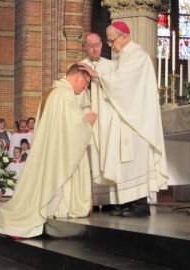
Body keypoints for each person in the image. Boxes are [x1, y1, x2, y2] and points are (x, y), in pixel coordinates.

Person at [0, 64, 97, 238]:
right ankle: (27, 224)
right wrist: (86, 123)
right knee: (52, 186)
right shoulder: (64, 95)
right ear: (77, 76)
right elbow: (72, 128)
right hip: (56, 151)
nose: (85, 87)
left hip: (49, 148)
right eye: (86, 82)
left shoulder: (53, 92)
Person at [80, 21, 169, 217]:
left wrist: (98, 76)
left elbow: (123, 83)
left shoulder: (137, 55)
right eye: (109, 41)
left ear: (125, 36)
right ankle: (127, 203)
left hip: (136, 121)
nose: (110, 45)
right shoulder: (124, 56)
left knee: (133, 161)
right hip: (127, 116)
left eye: (112, 41)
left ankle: (139, 205)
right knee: (124, 162)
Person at [80, 32, 115, 211]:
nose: (94, 48)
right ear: (85, 47)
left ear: (102, 45)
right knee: (91, 160)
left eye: (97, 45)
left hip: (107, 119)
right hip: (89, 119)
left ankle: (109, 201)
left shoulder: (111, 66)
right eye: (90, 45)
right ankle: (92, 201)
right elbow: (75, 93)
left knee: (107, 157)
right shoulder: (79, 67)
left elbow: (116, 91)